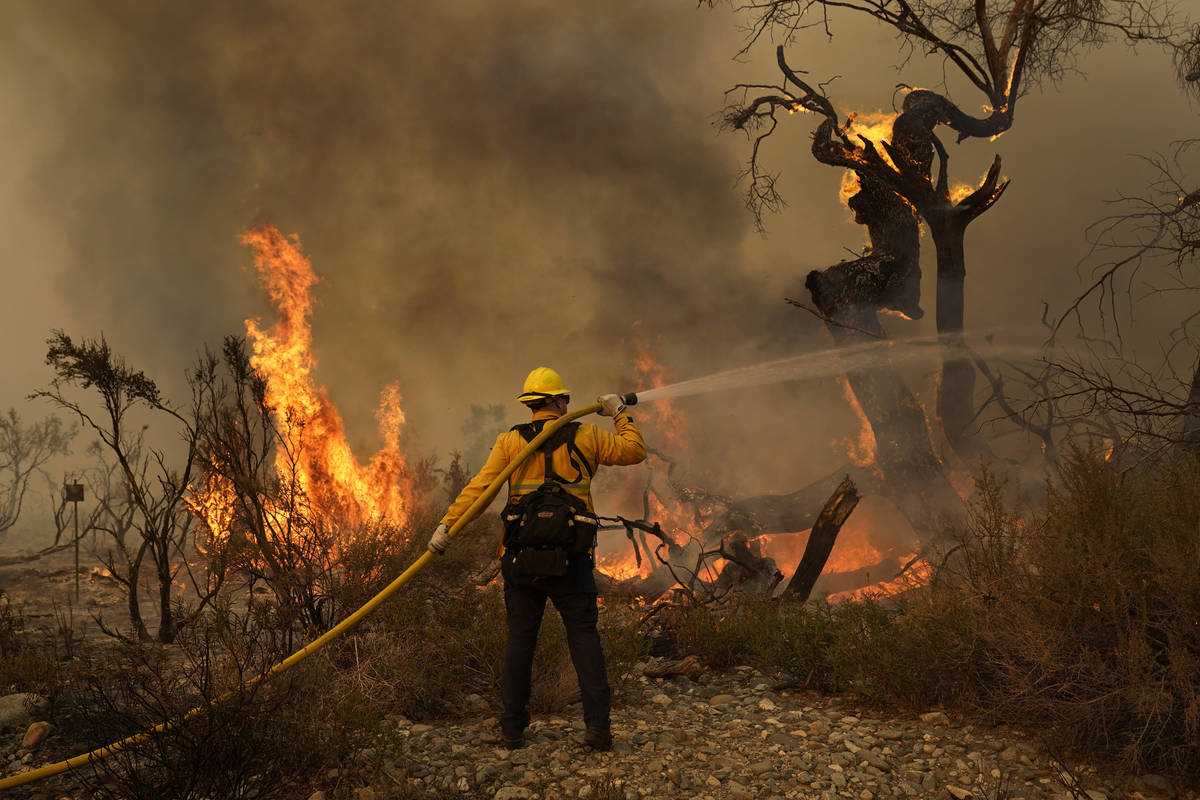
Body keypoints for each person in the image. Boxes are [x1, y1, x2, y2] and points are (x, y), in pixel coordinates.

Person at [428, 366, 646, 751]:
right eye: (566, 398)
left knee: (520, 641)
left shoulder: (511, 442)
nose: (568, 403)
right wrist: (619, 414)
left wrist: (448, 524)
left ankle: (512, 729)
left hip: (520, 560)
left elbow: (481, 488)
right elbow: (634, 451)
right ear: (559, 401)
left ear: (531, 405)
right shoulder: (588, 435)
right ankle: (598, 729)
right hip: (571, 558)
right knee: (583, 638)